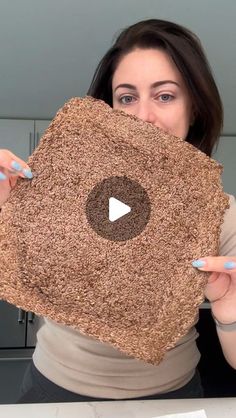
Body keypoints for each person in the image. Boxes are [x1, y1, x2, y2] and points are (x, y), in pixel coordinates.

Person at [0, 18, 236, 403]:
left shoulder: (221, 215)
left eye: (165, 96)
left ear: (194, 108)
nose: (142, 117)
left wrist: (228, 313)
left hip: (172, 397)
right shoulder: (55, 186)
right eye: (126, 98)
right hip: (52, 387)